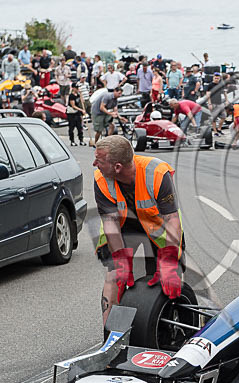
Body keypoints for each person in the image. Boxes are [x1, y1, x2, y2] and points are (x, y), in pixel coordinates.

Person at [93, 136, 184, 324]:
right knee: (115, 275)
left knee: (167, 276)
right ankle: (110, 336)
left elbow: (172, 219)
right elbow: (110, 222)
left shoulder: (157, 173)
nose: (95, 164)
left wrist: (168, 260)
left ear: (117, 167)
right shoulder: (101, 179)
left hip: (157, 226)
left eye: (99, 161)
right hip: (123, 226)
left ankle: (173, 327)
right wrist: (120, 259)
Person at [206, 72, 227, 136]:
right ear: (213, 78)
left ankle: (219, 128)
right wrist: (209, 104)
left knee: (224, 116)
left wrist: (226, 100)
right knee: (214, 118)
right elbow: (208, 94)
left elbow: (224, 92)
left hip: (220, 102)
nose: (217, 79)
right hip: (213, 103)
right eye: (215, 78)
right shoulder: (210, 85)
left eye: (218, 78)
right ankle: (215, 131)